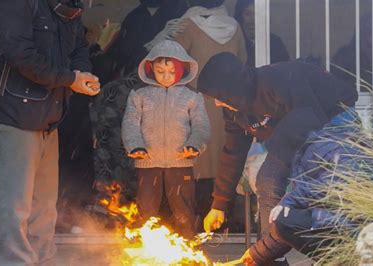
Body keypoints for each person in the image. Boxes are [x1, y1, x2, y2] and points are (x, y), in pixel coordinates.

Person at [198, 52, 358, 262]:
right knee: (267, 180)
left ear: (232, 89)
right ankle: (270, 257)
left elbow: (310, 121)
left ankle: (330, 254)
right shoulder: (234, 110)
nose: (217, 104)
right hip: (294, 131)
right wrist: (219, 204)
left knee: (286, 181)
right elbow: (233, 152)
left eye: (219, 96)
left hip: (332, 119)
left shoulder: (279, 80)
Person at [0, 0, 100, 264]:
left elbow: (79, 45)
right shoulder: (15, 4)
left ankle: (44, 261)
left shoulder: (66, 7)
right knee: (15, 209)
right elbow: (19, 53)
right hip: (12, 118)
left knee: (44, 209)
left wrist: (82, 72)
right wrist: (70, 79)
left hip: (47, 120)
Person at [238, 110, 373, 265]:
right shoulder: (308, 151)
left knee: (285, 220)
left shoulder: (326, 146)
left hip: (361, 231)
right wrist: (258, 253)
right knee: (287, 219)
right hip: (349, 227)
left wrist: (291, 200)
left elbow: (333, 184)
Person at [145, 0, 246, 182]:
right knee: (225, 163)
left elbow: (167, 64)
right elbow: (243, 63)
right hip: (230, 104)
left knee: (194, 166)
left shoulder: (185, 26)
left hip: (195, 104)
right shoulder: (235, 27)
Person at [121, 40, 210, 237]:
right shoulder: (139, 95)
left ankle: (188, 248)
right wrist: (135, 146)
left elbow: (201, 126)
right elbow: (130, 124)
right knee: (145, 209)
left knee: (184, 210)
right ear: (150, 68)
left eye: (171, 72)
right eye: (160, 71)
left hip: (181, 162)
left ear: (182, 70)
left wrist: (194, 145)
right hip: (147, 162)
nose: (166, 77)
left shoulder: (192, 96)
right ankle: (141, 250)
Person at [234, 0, 290, 67]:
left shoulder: (275, 42)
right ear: (240, 16)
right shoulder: (235, 42)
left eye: (257, 13)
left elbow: (286, 70)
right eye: (247, 14)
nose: (253, 20)